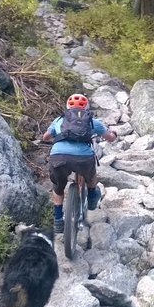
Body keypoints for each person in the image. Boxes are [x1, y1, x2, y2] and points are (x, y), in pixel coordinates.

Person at [41, 93, 117, 233]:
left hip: (59, 157)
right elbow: (110, 138)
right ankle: (93, 195)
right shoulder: (92, 121)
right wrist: (114, 133)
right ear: (87, 107)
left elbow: (45, 137)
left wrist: (53, 138)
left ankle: (58, 220)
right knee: (92, 174)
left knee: (58, 188)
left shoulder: (59, 120)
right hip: (83, 158)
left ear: (67, 106)